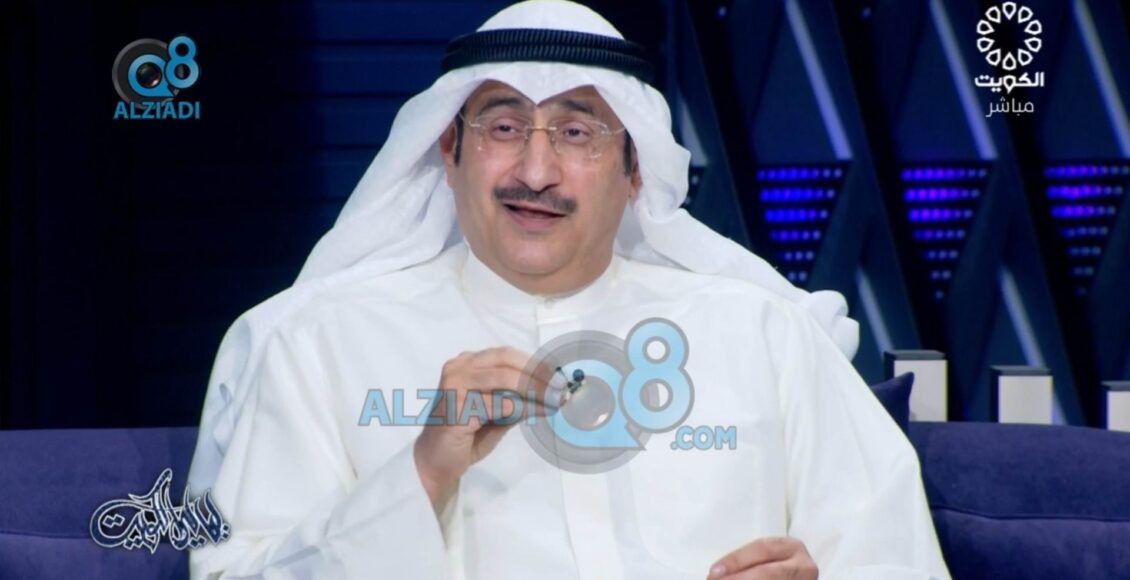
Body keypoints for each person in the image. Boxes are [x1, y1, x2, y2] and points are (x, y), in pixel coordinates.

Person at [188, 1, 949, 578]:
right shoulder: (315, 342)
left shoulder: (763, 334)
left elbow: (896, 557)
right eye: (503, 128)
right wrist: (421, 473)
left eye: (578, 133)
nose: (535, 172)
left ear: (635, 171)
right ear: (448, 151)